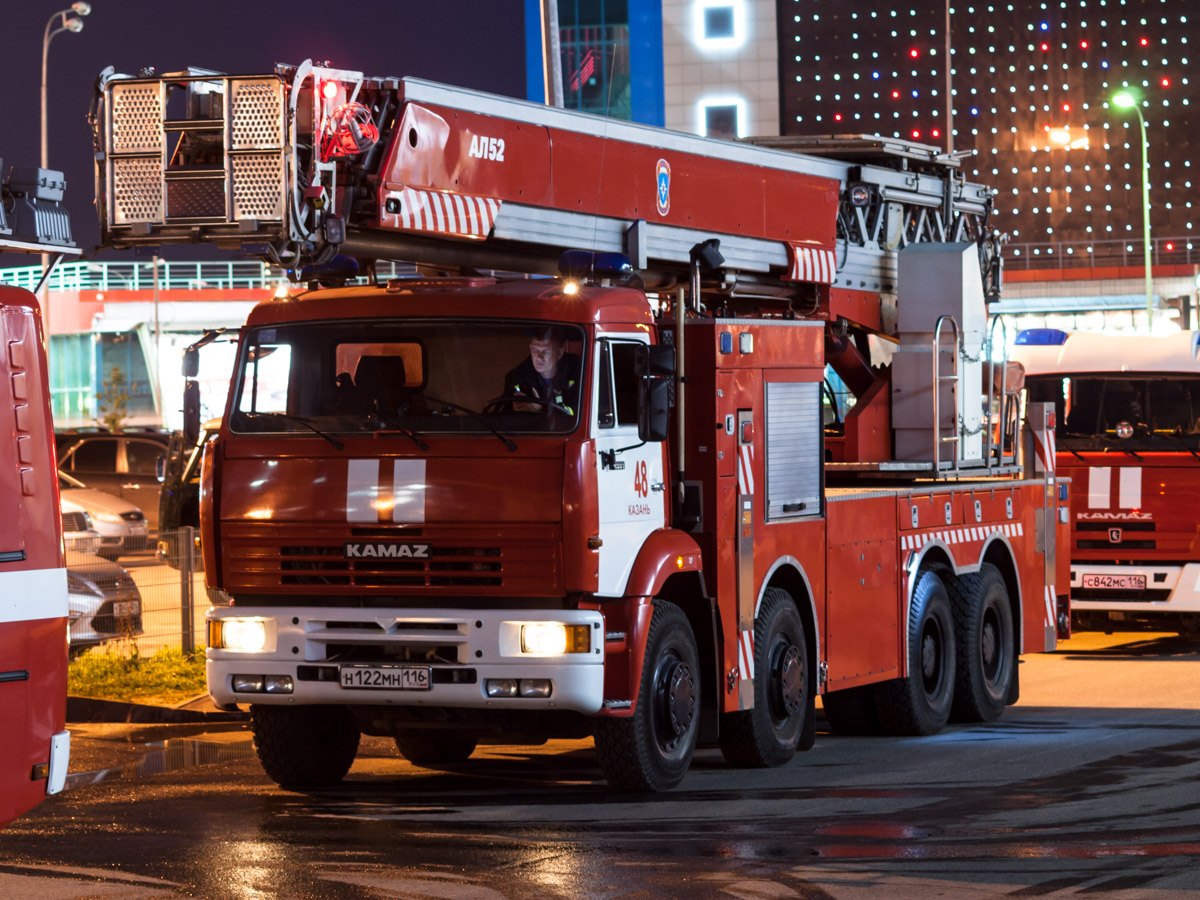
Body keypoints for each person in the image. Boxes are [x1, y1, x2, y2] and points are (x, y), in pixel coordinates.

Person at [503, 327, 581, 415]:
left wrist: (541, 410)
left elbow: (586, 413)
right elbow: (505, 415)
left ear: (559, 354)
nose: (539, 357)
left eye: (546, 352)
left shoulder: (579, 370)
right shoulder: (518, 376)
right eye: (535, 350)